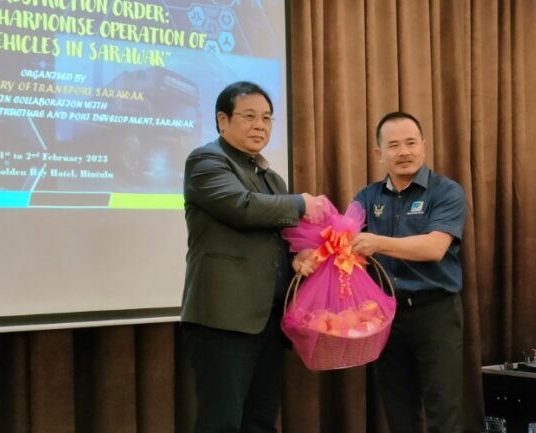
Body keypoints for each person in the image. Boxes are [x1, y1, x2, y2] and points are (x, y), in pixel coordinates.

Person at [181, 81, 328, 433]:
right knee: (220, 423)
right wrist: (301, 203)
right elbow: (242, 207)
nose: (260, 125)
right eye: (249, 116)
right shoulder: (205, 161)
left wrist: (297, 259)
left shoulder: (271, 178)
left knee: (260, 421)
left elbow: (277, 239)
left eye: (266, 118)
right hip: (224, 319)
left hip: (268, 319)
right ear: (222, 120)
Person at [351, 111, 468, 433]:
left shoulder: (446, 192)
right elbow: (345, 243)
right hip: (385, 316)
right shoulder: (366, 197)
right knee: (398, 411)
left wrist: (377, 243)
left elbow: (434, 248)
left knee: (444, 410)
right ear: (379, 153)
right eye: (394, 145)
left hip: (435, 312)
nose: (404, 152)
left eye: (411, 143)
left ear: (424, 146)